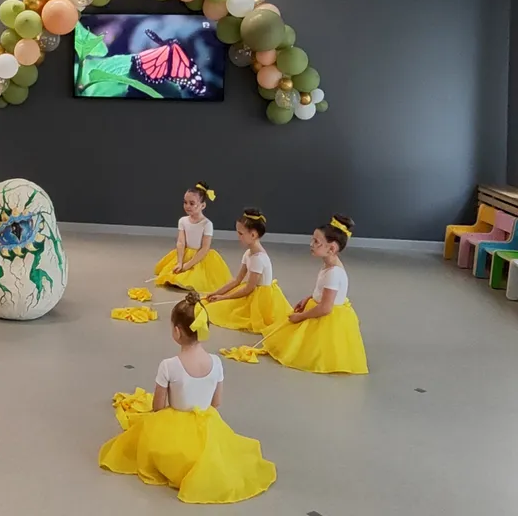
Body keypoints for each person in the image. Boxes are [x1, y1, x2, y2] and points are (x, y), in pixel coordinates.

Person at [99, 293, 276, 504]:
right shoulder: (216, 362)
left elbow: (158, 406)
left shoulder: (169, 365)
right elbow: (216, 403)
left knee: (145, 438)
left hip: (174, 430)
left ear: (176, 331)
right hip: (207, 427)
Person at [262, 214, 368, 374]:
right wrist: (309, 298)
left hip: (326, 317)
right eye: (312, 240)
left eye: (316, 242)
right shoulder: (329, 264)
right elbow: (323, 291)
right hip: (319, 306)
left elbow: (325, 308)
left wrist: (301, 317)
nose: (311, 244)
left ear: (331, 249)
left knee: (304, 347)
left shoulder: (334, 273)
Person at [205, 209, 291, 333]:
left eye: (241, 233)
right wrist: (215, 293)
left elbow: (248, 289)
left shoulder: (258, 259)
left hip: (260, 298)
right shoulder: (248, 253)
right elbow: (237, 280)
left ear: (253, 235)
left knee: (220, 310)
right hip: (251, 290)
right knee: (215, 305)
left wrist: (223, 297)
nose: (238, 237)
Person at [152, 181, 231, 291]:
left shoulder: (207, 224)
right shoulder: (183, 221)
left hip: (200, 257)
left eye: (192, 203)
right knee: (172, 274)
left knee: (192, 279)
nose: (187, 206)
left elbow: (205, 248)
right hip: (185, 254)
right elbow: (181, 242)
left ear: (202, 205)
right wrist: (180, 262)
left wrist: (188, 265)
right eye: (185, 202)